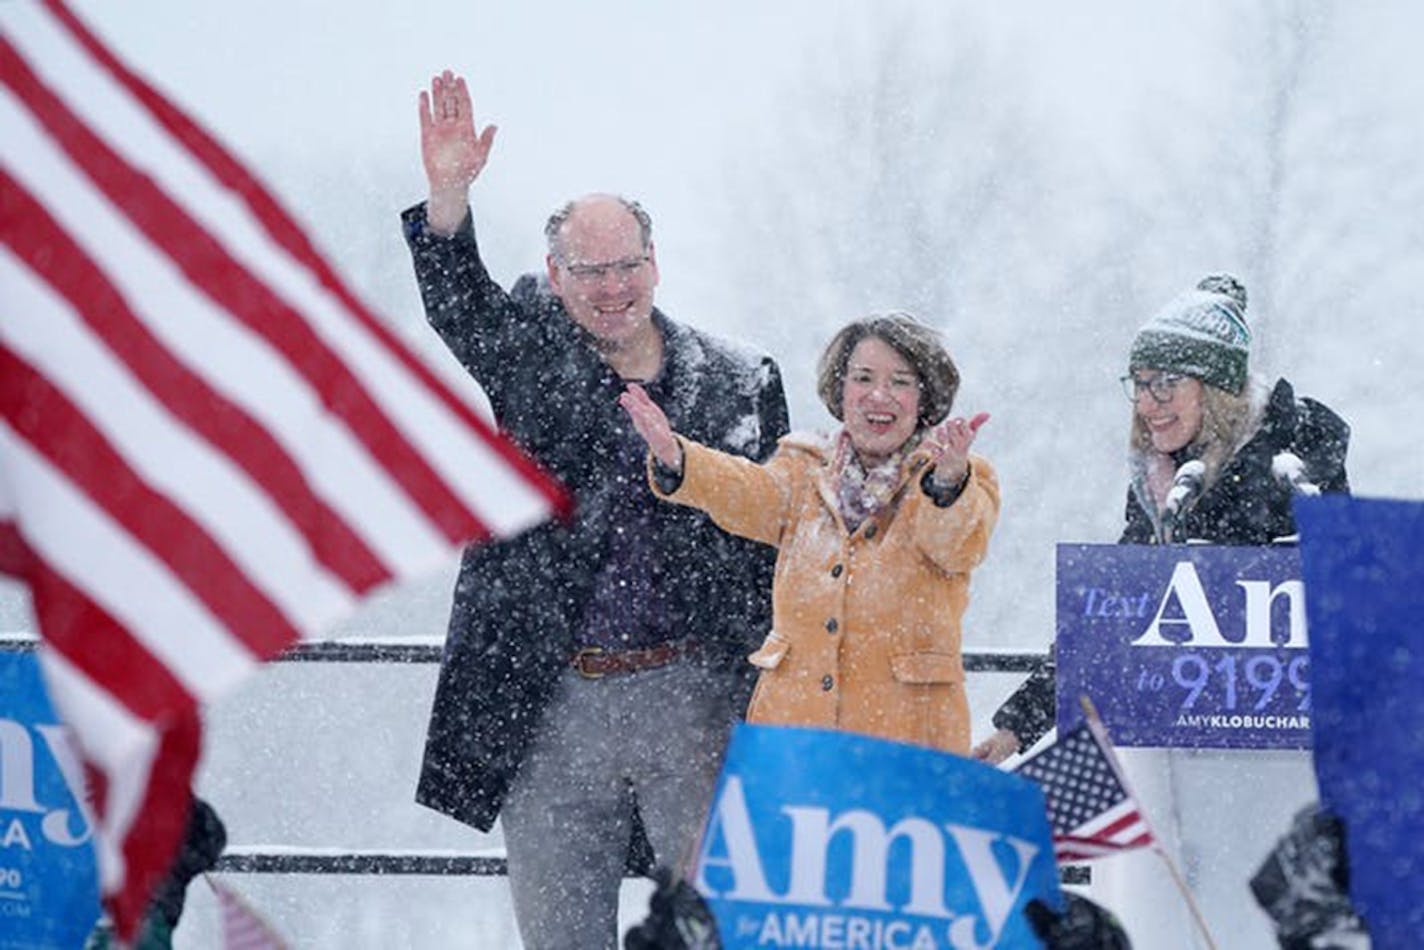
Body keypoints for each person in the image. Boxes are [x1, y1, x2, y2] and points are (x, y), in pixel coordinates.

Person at [401, 71, 789, 949]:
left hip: (698, 701)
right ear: (554, 275)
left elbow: (778, 540)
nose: (611, 287)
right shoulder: (530, 363)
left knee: (714, 935)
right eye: (588, 271)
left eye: (626, 266)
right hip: (547, 700)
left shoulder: (738, 380)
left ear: (655, 264)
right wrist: (449, 195)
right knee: (560, 935)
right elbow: (458, 307)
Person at [974, 273, 1351, 764]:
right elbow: (1109, 621)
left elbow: (1345, 611)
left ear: (1217, 390)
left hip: (1281, 758)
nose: (1148, 404)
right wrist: (1015, 730)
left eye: (1167, 384)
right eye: (1141, 384)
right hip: (1179, 758)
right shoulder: (1162, 482)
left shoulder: (1298, 463)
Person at [621, 313, 998, 752]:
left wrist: (948, 481)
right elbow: (745, 491)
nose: (879, 395)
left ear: (925, 397)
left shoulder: (957, 479)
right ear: (840, 389)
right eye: (863, 378)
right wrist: (677, 456)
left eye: (900, 382)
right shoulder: (802, 469)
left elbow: (956, 545)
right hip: (797, 747)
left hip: (907, 751)